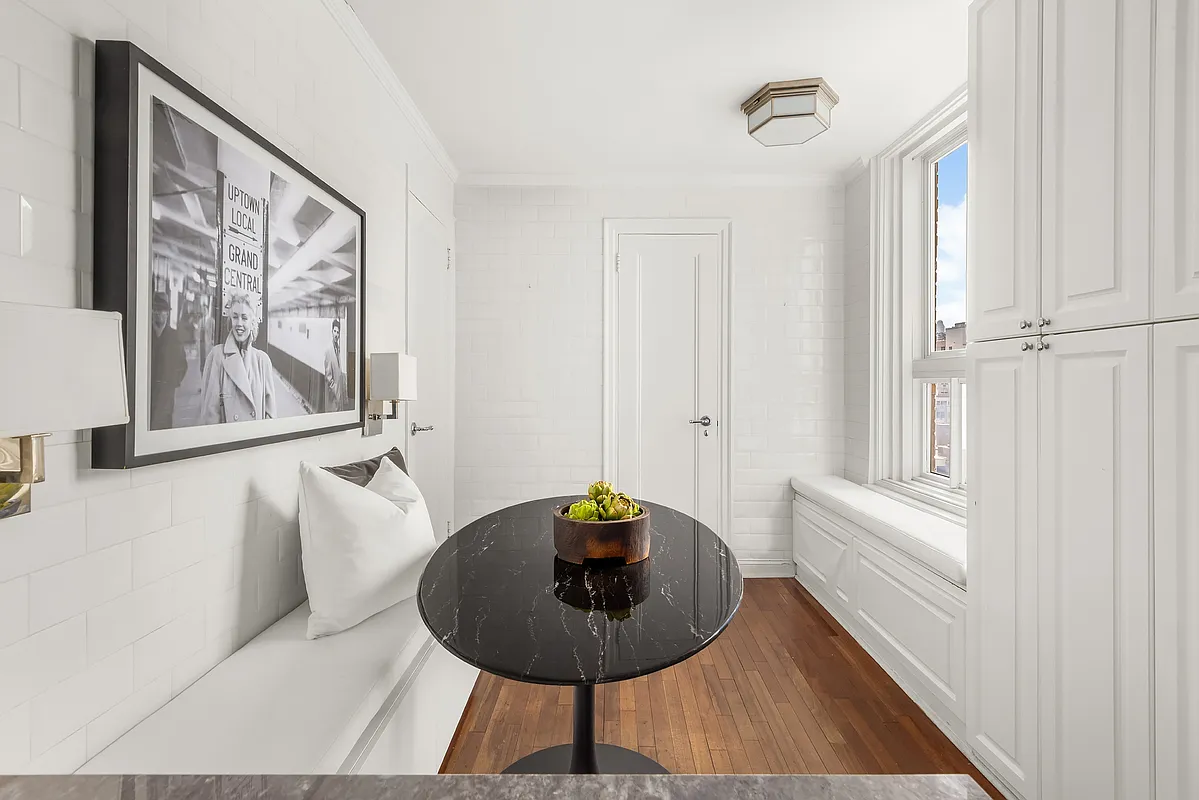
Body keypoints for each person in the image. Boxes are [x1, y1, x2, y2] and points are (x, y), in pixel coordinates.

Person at [198, 289, 277, 424]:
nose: (239, 323)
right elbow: (209, 416)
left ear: (252, 323)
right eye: (235, 317)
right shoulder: (217, 357)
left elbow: (271, 416)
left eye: (244, 318)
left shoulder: (262, 361)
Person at [149, 291, 186, 430]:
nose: (158, 313)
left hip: (166, 394)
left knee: (163, 426)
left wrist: (171, 383)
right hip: (148, 392)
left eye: (162, 310)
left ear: (167, 313)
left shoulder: (174, 336)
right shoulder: (145, 333)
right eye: (155, 309)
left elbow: (183, 365)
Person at [323, 317, 347, 413]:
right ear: (331, 331)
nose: (336, 334)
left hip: (338, 395)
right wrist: (335, 392)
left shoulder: (338, 349)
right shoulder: (329, 350)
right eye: (335, 331)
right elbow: (328, 377)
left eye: (338, 332)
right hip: (333, 396)